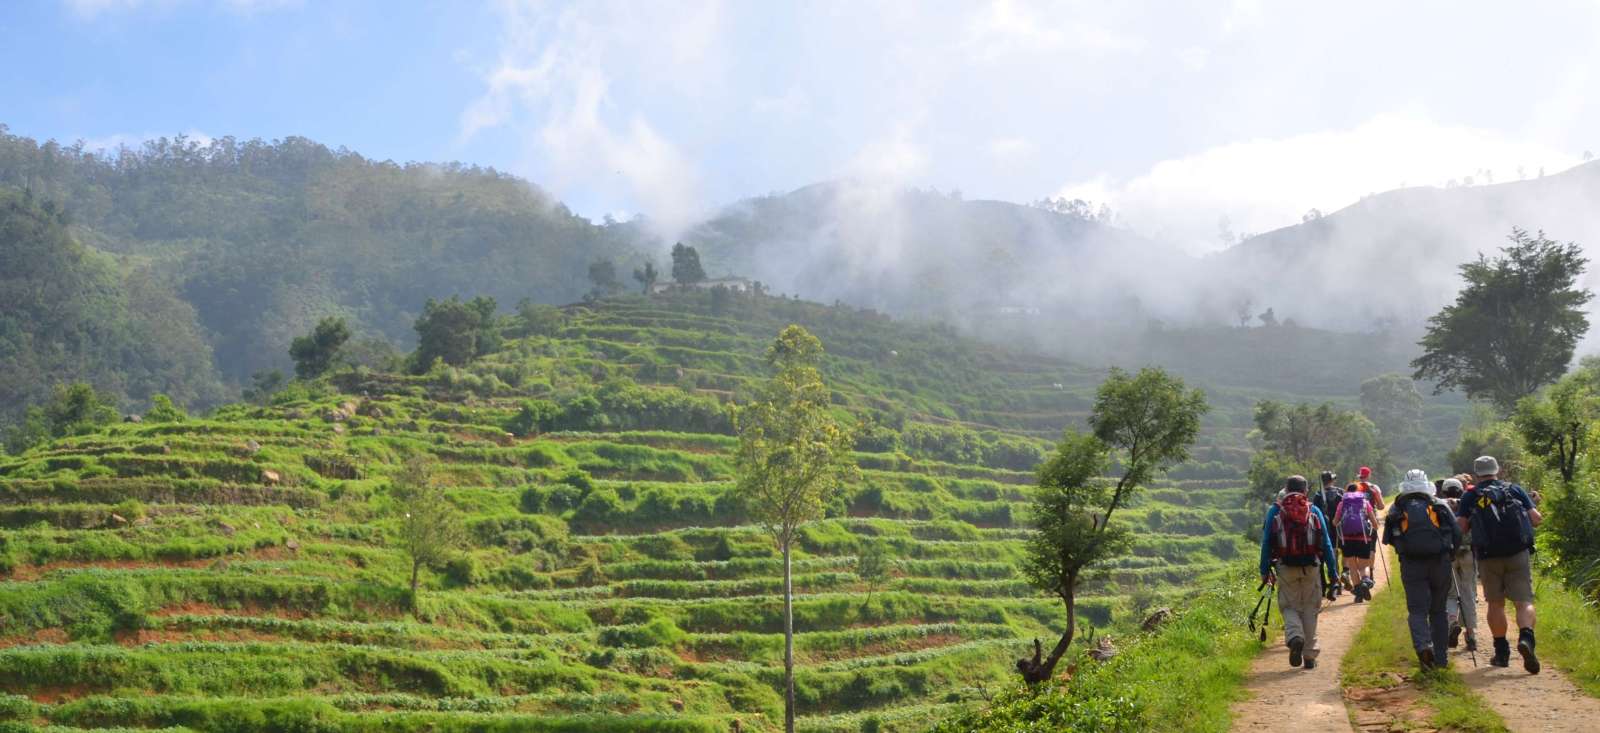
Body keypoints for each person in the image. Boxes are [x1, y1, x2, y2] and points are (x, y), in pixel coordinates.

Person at [1458, 455, 1543, 673]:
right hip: (1517, 553)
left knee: (1495, 604)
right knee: (1523, 601)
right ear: (1498, 470)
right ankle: (1526, 638)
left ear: (1477, 474)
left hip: (1488, 556)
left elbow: (1462, 528)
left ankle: (1502, 653)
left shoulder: (1471, 495)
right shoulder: (1514, 489)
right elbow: (1536, 519)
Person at [1382, 469, 1462, 669]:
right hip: (1440, 563)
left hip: (1411, 565)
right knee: (1438, 610)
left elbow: (1388, 539)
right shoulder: (1439, 504)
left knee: (1417, 610)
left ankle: (1423, 646)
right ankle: (1441, 660)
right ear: (1427, 484)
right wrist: (1450, 554)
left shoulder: (1397, 508)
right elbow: (1457, 533)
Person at [1258, 474, 1339, 670]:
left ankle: (1295, 637)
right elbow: (1327, 543)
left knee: (1289, 606)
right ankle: (1309, 656)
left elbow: (1267, 542)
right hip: (1312, 566)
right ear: (1305, 491)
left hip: (1285, 566)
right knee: (1310, 608)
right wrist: (1333, 572)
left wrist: (1264, 570)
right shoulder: (1314, 510)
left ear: (1286, 488)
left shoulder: (1275, 510)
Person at [1438, 477, 1478, 653]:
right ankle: (1470, 636)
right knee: (1468, 592)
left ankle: (1452, 622)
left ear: (1444, 491)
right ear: (1460, 490)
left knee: (1451, 594)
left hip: (1449, 555)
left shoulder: (1439, 505)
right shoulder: (1467, 503)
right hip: (1469, 552)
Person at [1334, 481, 1379, 602]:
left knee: (1352, 568)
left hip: (1347, 539)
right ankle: (1365, 581)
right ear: (1359, 491)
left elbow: (1335, 522)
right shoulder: (1365, 502)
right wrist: (1372, 526)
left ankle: (1358, 594)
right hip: (1363, 538)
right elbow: (1375, 524)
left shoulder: (1342, 504)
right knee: (1363, 567)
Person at [1314, 471, 1345, 596]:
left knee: (1326, 557)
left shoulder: (1317, 495)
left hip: (1323, 529)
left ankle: (1325, 586)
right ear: (1332, 480)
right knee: (1335, 555)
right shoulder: (1340, 492)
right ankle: (1337, 585)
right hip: (1339, 528)